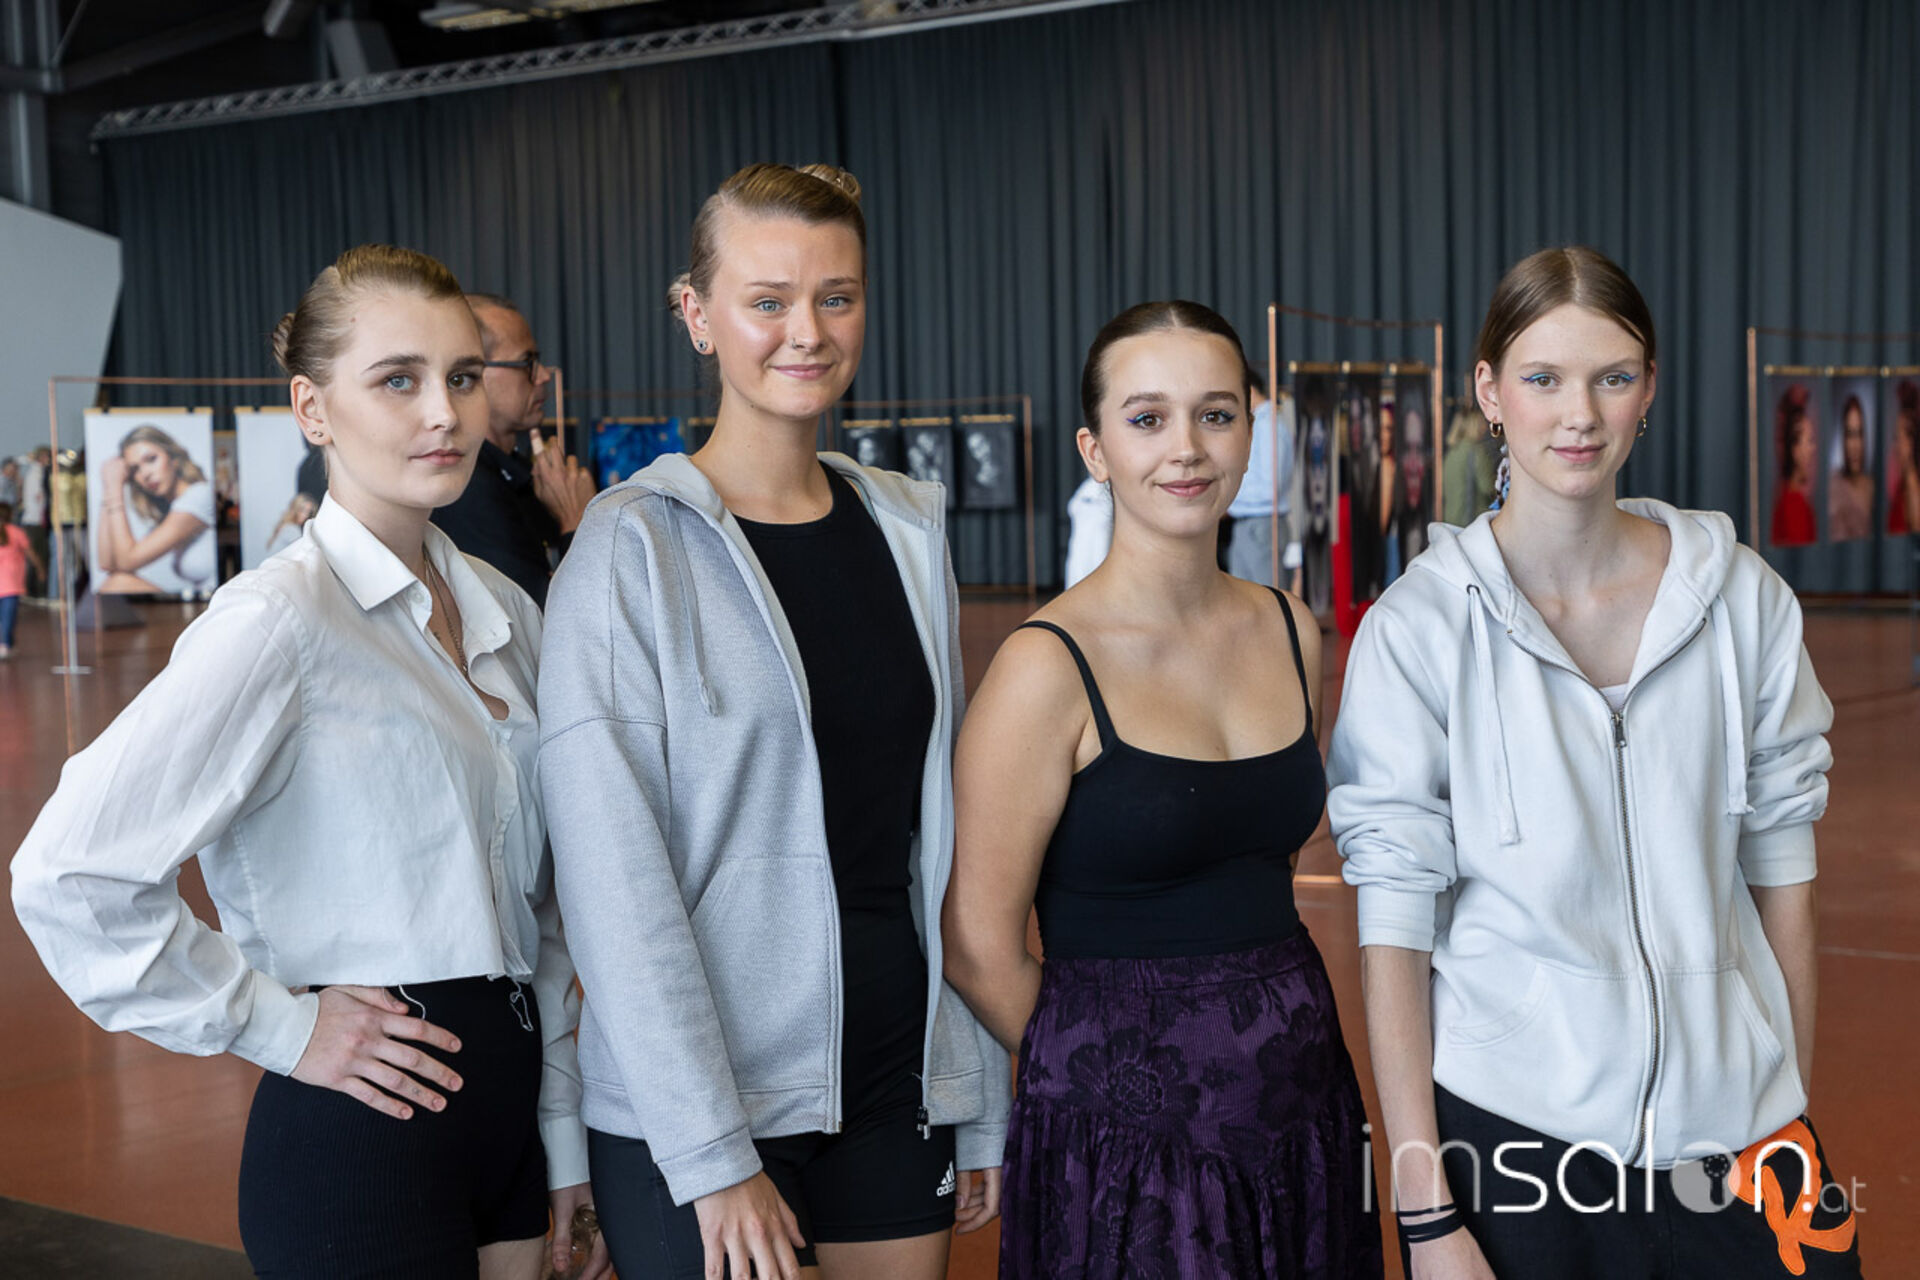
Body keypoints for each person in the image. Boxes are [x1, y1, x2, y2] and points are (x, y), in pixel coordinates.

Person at [11, 244, 606, 1280]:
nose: (444, 413)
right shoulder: (279, 621)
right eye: (397, 380)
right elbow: (69, 871)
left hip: (509, 1115)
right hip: (362, 1140)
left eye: (464, 376)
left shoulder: (504, 611)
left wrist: (561, 1134)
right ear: (312, 408)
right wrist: (278, 1026)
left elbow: (544, 911)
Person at [1329, 246, 1859, 1279]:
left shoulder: (1744, 600)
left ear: (1648, 387)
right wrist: (1427, 1215)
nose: (1579, 415)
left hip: (1741, 1133)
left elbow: (1784, 879)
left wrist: (1781, 1095)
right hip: (1517, 1142)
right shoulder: (1420, 629)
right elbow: (1393, 933)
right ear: (1489, 391)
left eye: (1612, 377)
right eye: (1543, 378)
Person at [539, 162, 1009, 1280]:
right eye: (768, 300)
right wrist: (712, 1152)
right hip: (704, 1105)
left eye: (836, 297)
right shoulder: (629, 545)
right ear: (697, 314)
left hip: (895, 1079)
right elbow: (612, 880)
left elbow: (937, 839)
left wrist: (974, 1087)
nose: (807, 331)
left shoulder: (905, 528)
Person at [943, 300, 1383, 1280]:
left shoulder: (1289, 627)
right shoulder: (1045, 667)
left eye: (1216, 414)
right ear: (1095, 451)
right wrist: (1115, 1085)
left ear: (1249, 435)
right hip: (1125, 1141)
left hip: (1302, 1104)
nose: (1186, 447)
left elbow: (1261, 862)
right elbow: (976, 947)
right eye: (1148, 418)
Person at [431, 293, 596, 608]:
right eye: (527, 363)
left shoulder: (516, 474)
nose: (543, 375)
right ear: (471, 373)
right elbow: (546, 619)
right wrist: (577, 522)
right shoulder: (467, 488)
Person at [93, 424, 217, 594]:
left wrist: (115, 488)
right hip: (203, 602)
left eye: (151, 459)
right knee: (116, 581)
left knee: (118, 583)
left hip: (218, 605)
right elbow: (107, 563)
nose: (145, 474)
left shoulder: (199, 495)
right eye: (135, 469)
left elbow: (127, 560)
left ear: (174, 458)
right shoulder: (170, 510)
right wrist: (108, 487)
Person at [1226, 365, 1299, 589]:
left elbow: (1271, 487)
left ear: (1248, 390)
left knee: (1267, 595)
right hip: (1249, 525)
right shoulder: (1260, 423)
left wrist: (1229, 497)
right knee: (1243, 595)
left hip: (1261, 524)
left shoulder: (1267, 425)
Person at [1770, 385, 1818, 546]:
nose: (1813, 448)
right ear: (1795, 450)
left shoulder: (1788, 496)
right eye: (1810, 441)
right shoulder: (1793, 503)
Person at [0, 501, 47, 658]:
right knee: (8, 617)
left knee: (4, 618)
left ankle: (8, 643)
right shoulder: (17, 532)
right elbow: (30, 553)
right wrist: (40, 568)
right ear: (10, 515)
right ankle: (5, 644)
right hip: (11, 584)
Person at [1826, 394, 1871, 542]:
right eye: (1850, 435)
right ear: (1843, 439)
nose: (1855, 446)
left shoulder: (1873, 489)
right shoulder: (1832, 487)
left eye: (1859, 434)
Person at [1887, 381, 1920, 535]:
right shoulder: (1902, 486)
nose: (1895, 446)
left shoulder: (1912, 485)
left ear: (1910, 441)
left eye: (1897, 439)